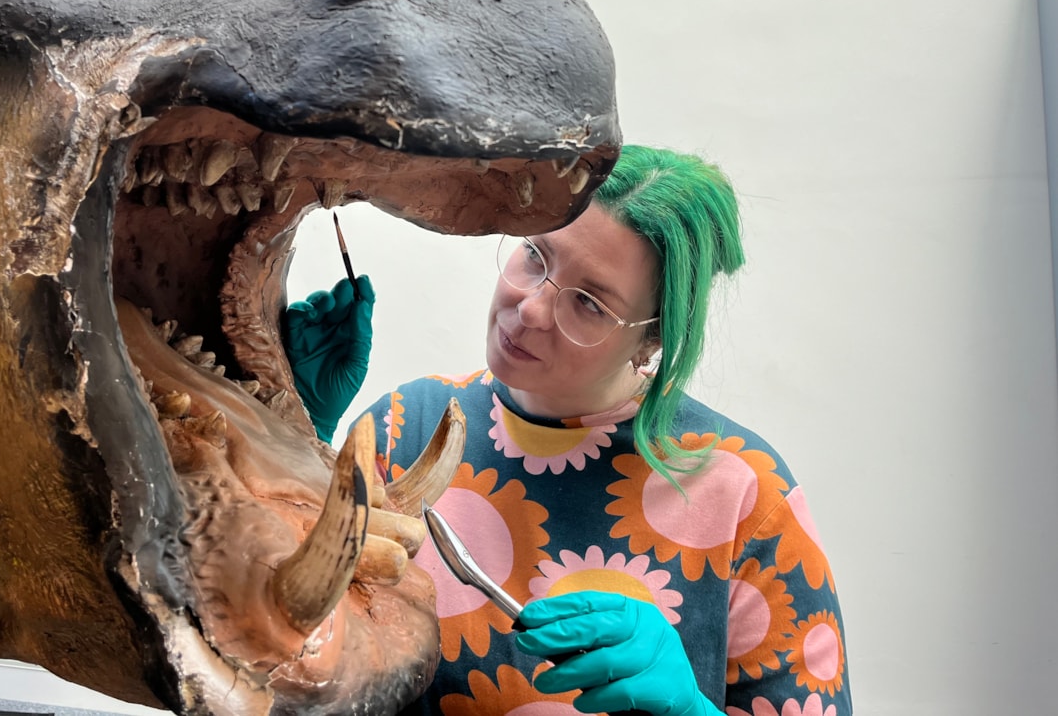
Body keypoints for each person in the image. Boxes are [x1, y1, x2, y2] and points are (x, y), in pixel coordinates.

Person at [283, 144, 851, 716]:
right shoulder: (404, 427)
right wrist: (292, 425)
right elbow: (295, 654)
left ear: (652, 340)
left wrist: (688, 710)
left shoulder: (747, 495)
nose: (530, 309)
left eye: (588, 303)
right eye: (535, 254)